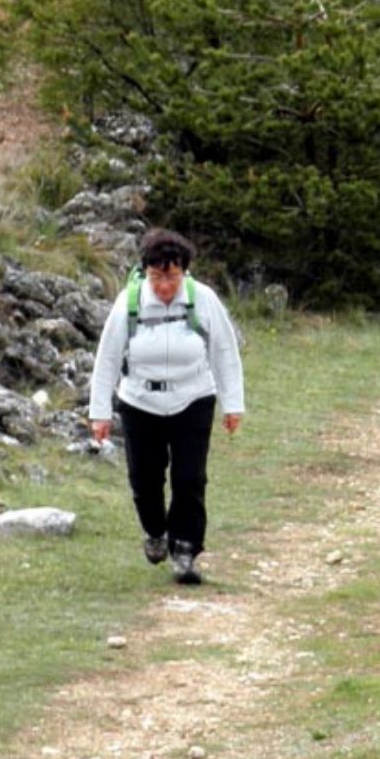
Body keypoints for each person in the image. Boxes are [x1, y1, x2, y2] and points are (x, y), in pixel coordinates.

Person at [89, 228, 246, 586]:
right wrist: (100, 413)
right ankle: (155, 531)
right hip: (139, 402)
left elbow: (224, 352)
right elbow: (108, 358)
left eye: (172, 276)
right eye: (156, 276)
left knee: (190, 478)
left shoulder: (203, 299)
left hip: (193, 398)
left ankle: (185, 550)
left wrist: (233, 404)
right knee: (144, 480)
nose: (164, 286)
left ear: (184, 272)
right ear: (145, 272)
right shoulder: (128, 303)